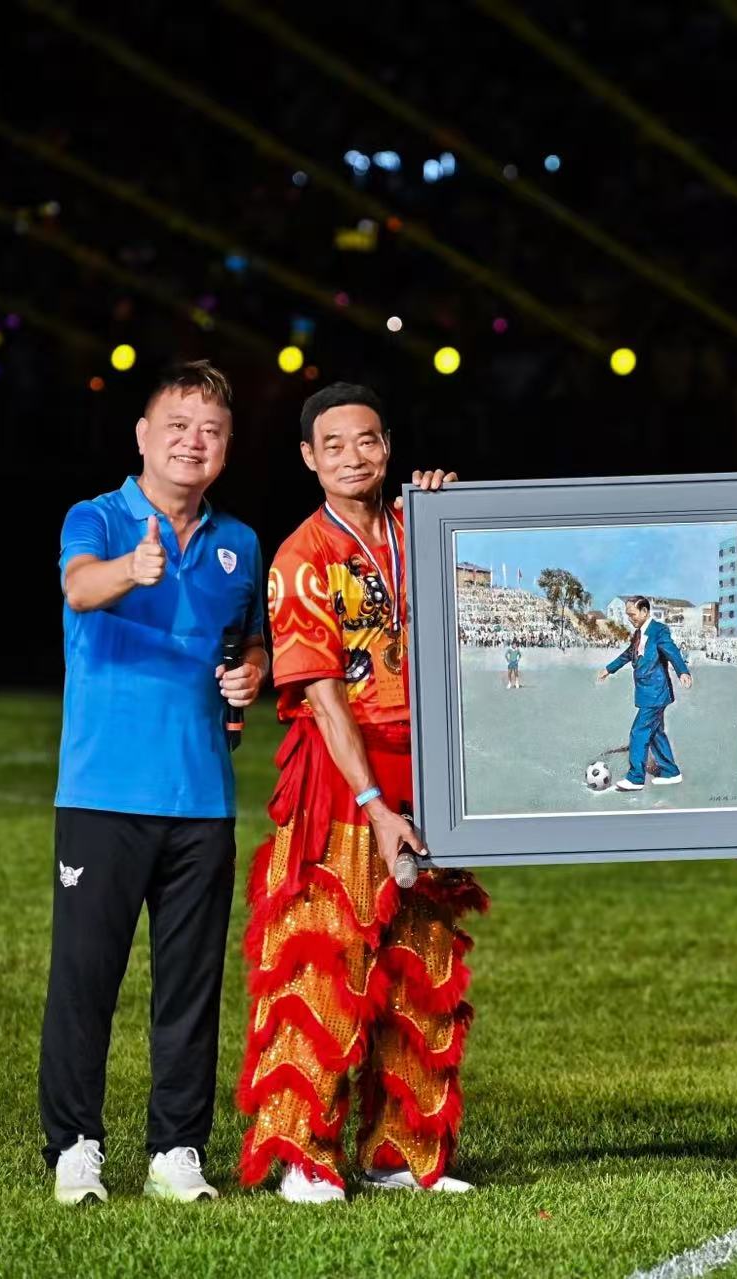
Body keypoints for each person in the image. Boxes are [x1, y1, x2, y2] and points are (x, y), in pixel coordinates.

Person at [237, 382, 487, 1202]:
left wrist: (459, 516)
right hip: (346, 778)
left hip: (432, 766)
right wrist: (378, 806)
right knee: (326, 953)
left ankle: (400, 1152)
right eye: (334, 445)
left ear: (389, 445)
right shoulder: (301, 556)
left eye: (368, 441)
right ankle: (302, 1157)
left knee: (422, 960)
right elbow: (319, 695)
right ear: (309, 457)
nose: (354, 457)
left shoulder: (421, 529)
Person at [41, 360, 266, 1205]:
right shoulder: (97, 517)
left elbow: (249, 640)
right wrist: (127, 570)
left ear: (226, 446)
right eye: (176, 425)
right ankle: (75, 1146)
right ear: (143, 435)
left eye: (209, 429)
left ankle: (177, 1149)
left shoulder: (239, 541)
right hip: (102, 795)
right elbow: (78, 586)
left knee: (191, 985)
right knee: (84, 980)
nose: (192, 442)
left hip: (201, 798)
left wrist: (250, 673)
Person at [596, 597, 692, 791]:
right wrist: (609, 669)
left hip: (656, 692)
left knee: (639, 732)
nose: (630, 619)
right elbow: (628, 654)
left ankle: (635, 778)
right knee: (656, 734)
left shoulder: (658, 630)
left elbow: (672, 651)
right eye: (628, 615)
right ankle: (671, 772)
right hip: (647, 692)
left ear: (645, 611)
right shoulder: (638, 634)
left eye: (632, 614)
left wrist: (683, 671)